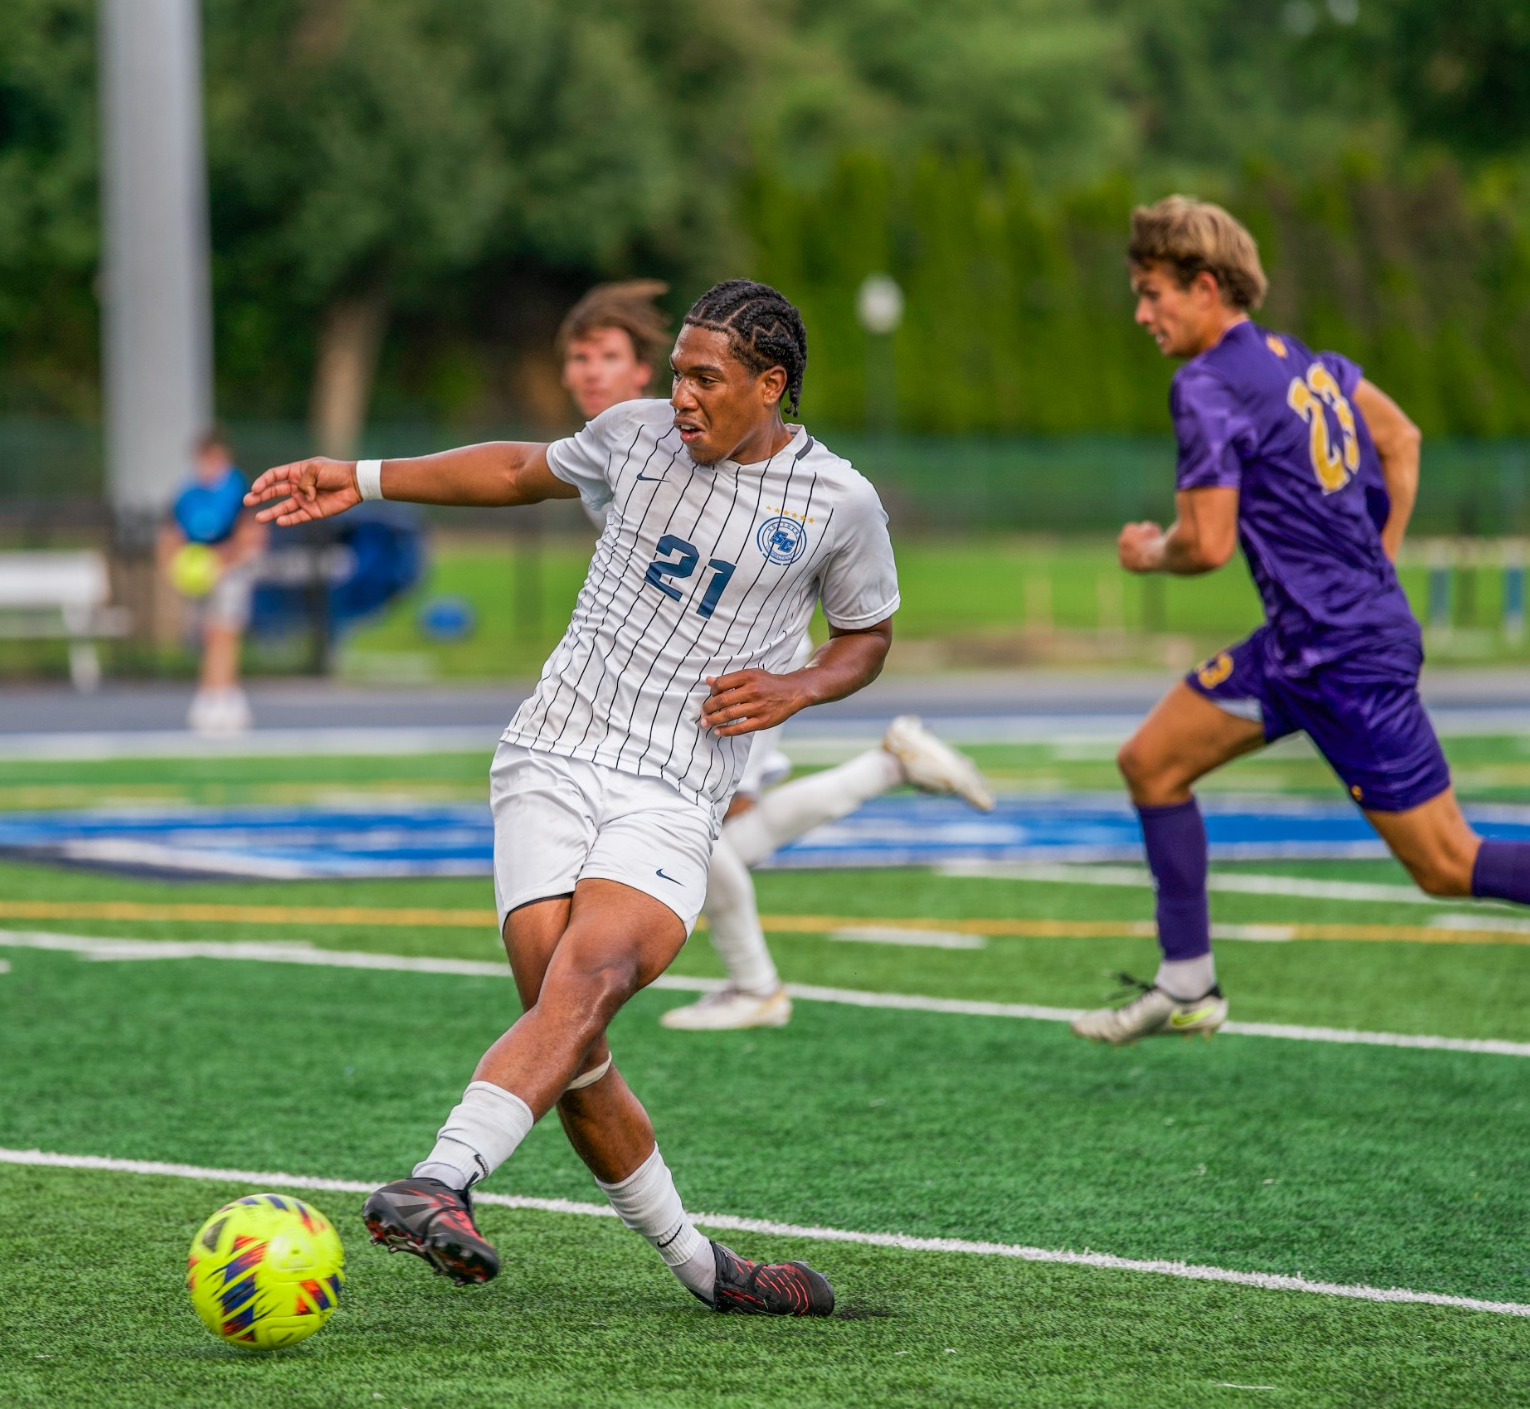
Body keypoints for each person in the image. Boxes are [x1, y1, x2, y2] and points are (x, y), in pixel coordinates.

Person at [247, 279, 896, 1315]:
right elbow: (514, 467)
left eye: (704, 378)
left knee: (586, 978)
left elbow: (865, 638)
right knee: (571, 1033)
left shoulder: (839, 501)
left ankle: (439, 1178)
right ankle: (707, 1271)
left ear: (770, 385)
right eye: (675, 372)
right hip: (549, 753)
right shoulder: (634, 434)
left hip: (675, 786)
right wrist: (359, 476)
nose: (677, 395)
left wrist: (798, 683)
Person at [1076, 195, 1530, 1046]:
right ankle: (1187, 984)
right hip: (1304, 645)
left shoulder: (1207, 383)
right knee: (1150, 761)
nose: (1141, 314)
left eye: (1152, 293)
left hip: (1342, 657)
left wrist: (1152, 553)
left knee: (1446, 863)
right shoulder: (1306, 362)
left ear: (1206, 284)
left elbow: (1209, 544)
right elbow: (1401, 439)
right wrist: (1378, 561)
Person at [556, 281, 995, 1032]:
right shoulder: (624, 439)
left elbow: (854, 615)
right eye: (578, 357)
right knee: (723, 830)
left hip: (732, 662)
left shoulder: (675, 431)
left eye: (609, 356)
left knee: (692, 824)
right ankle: (887, 767)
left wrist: (792, 679)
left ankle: (757, 983)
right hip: (675, 666)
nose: (590, 372)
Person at [164, 431, 267, 736]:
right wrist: (179, 566)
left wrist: (219, 560)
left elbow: (252, 536)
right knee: (210, 635)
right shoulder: (187, 494)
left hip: (232, 570)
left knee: (224, 633)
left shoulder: (238, 491)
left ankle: (220, 699)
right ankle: (217, 695)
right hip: (201, 575)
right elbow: (172, 536)